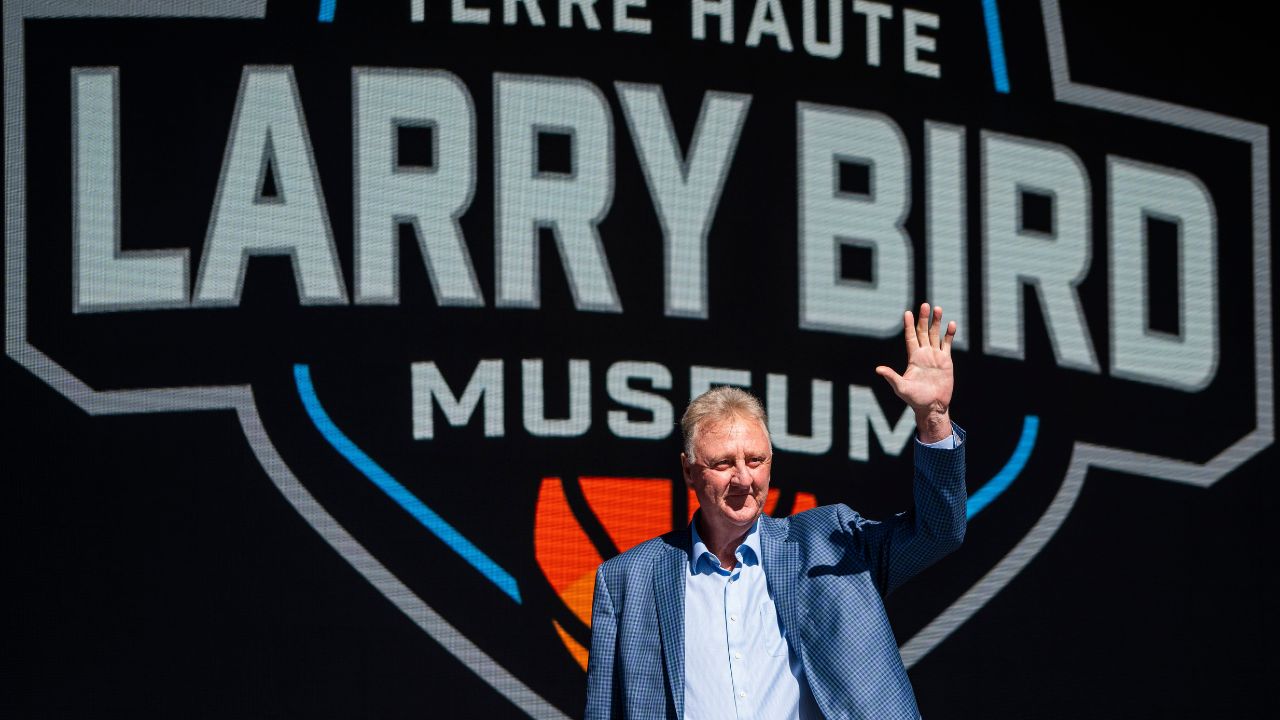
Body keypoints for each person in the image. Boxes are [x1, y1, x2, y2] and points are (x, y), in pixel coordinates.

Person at [585, 304, 965, 719]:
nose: (744, 479)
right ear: (689, 472)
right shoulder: (629, 580)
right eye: (724, 463)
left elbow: (938, 532)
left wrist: (933, 418)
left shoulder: (830, 542)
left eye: (756, 460)